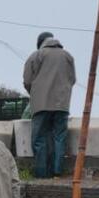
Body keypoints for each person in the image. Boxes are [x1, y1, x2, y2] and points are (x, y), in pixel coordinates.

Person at [23, 31, 76, 179]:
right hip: (62, 105)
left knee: (39, 138)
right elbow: (72, 79)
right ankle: (57, 172)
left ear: (40, 43)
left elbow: (27, 80)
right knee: (59, 137)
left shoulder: (36, 55)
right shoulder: (68, 56)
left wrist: (35, 94)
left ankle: (41, 173)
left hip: (40, 105)